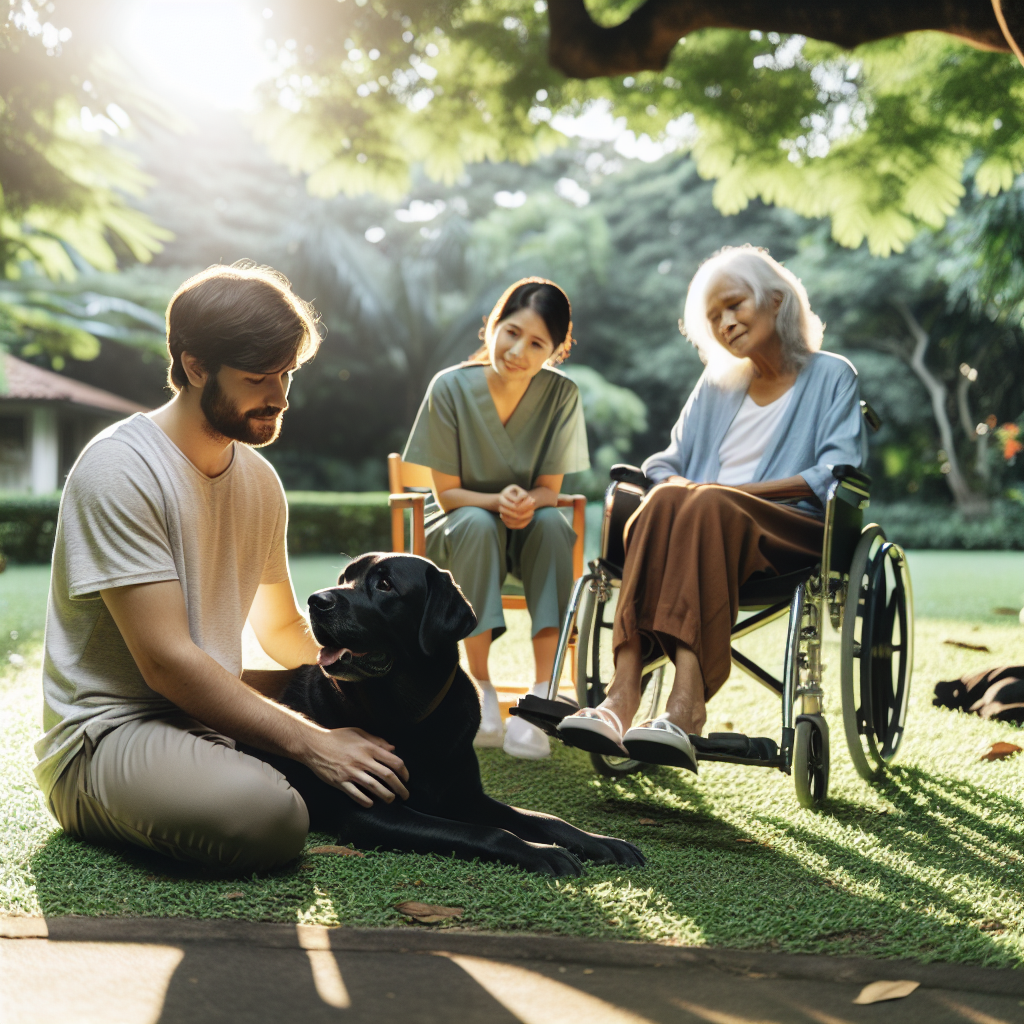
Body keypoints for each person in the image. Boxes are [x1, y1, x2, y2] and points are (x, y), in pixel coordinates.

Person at [34, 261, 409, 874]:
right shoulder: (119, 468)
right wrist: (315, 742)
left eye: (287, 373)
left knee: (386, 742)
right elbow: (166, 662)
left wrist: (385, 679)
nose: (281, 396)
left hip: (210, 714)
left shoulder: (259, 480)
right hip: (106, 736)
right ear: (194, 366)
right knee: (271, 817)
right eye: (260, 376)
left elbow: (283, 633)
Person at [558, 245, 866, 770]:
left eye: (734, 305)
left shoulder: (832, 375)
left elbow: (835, 472)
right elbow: (666, 461)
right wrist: (685, 490)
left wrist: (729, 496)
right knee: (669, 496)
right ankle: (622, 695)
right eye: (713, 317)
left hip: (788, 528)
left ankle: (686, 704)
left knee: (701, 501)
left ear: (774, 300)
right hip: (699, 525)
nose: (725, 323)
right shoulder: (718, 382)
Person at [403, 278, 590, 759]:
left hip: (529, 527)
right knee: (476, 524)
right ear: (492, 324)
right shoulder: (449, 387)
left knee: (552, 524)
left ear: (556, 349)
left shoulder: (562, 395)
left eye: (537, 344)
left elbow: (551, 491)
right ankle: (480, 687)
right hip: (459, 526)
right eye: (511, 332)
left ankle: (541, 695)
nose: (517, 351)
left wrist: (529, 502)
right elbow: (447, 496)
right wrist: (497, 502)